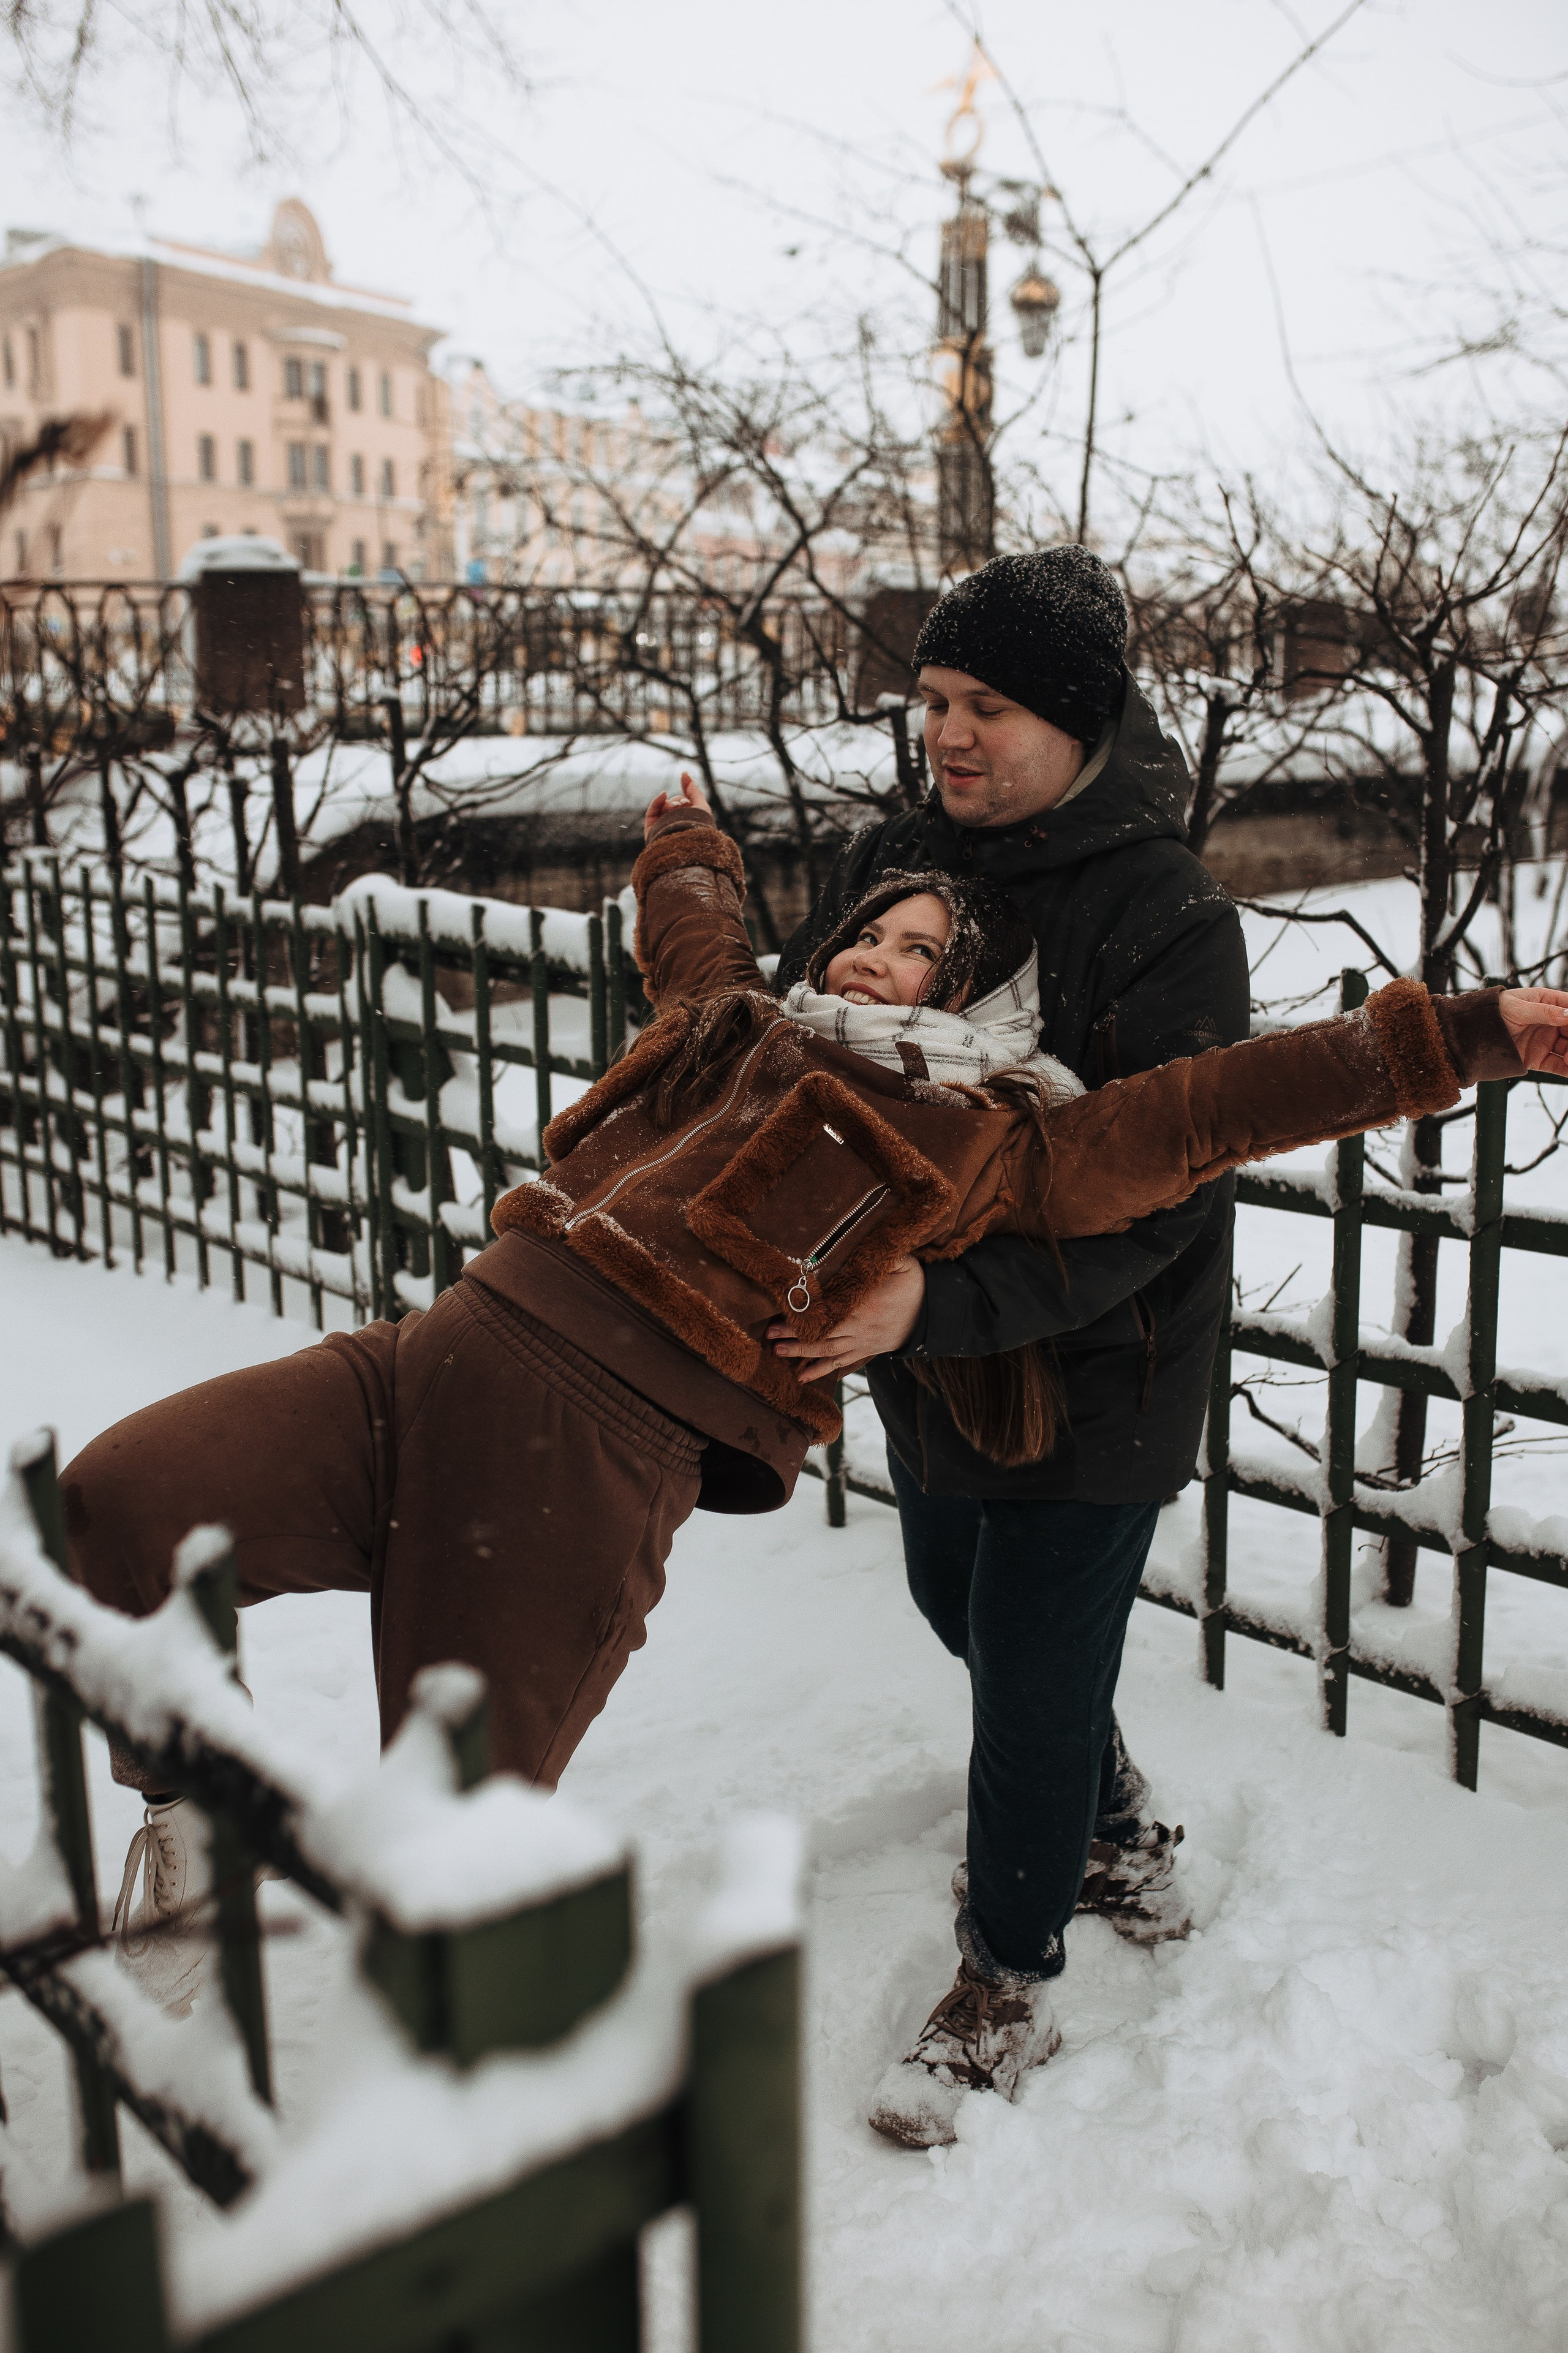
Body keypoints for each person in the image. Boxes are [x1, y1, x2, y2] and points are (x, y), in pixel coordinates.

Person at [62, 774, 1567, 2071]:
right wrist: (685, 849)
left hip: (576, 1451)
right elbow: (699, 940)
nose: (873, 954)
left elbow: (1216, 1107)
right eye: (867, 927)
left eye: (921, 951)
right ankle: (196, 1804)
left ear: (977, 1000)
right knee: (120, 1505)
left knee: (441, 1834)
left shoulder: (990, 1140)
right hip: (419, 1359)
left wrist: (1471, 1033)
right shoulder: (740, 1027)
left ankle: (490, 2140)